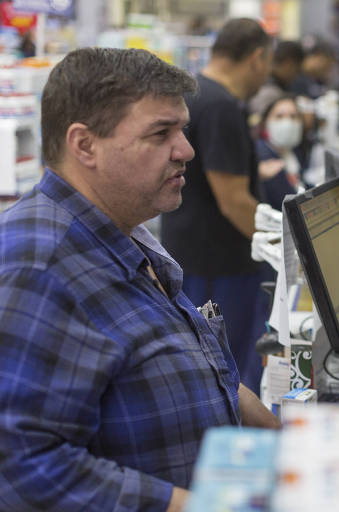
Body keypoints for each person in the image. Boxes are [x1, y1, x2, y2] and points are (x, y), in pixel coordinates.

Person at [0, 47, 279, 512]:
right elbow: (21, 465)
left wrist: (294, 448)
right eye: (160, 133)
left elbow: (208, 374)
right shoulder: (39, 268)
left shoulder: (124, 230)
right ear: (84, 145)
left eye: (182, 129)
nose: (186, 150)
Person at [160, 18, 273, 393]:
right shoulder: (222, 106)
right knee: (225, 373)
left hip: (190, 252)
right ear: (257, 58)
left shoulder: (193, 93)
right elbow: (234, 201)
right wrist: (287, 250)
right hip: (220, 266)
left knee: (200, 367)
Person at [256, 95, 308, 210]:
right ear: (265, 123)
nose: (287, 122)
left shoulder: (294, 151)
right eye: (279, 117)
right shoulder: (262, 156)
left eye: (293, 116)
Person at [249, 40, 304, 124]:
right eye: (297, 69)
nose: (296, 75)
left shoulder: (279, 85)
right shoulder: (268, 90)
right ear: (288, 63)